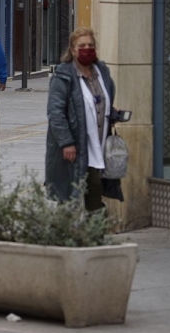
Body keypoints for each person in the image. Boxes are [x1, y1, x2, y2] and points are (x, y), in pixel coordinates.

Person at [45, 27, 121, 212]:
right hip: (74, 148)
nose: (87, 48)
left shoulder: (101, 72)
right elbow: (55, 113)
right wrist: (66, 142)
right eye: (82, 46)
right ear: (72, 50)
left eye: (91, 45)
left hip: (98, 145)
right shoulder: (64, 75)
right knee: (74, 196)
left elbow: (103, 100)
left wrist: (112, 113)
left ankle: (89, 235)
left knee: (89, 195)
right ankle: (80, 236)